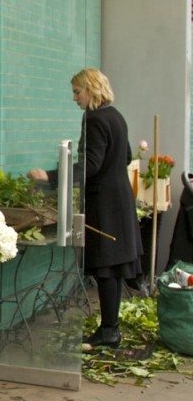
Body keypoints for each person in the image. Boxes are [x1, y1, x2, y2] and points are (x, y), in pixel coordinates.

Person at [29, 68, 141, 348]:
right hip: (120, 197)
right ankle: (110, 329)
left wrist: (51, 177)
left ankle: (109, 330)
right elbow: (125, 155)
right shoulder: (115, 116)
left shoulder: (93, 118)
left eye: (77, 92)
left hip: (104, 202)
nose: (75, 98)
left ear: (91, 90)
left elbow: (91, 165)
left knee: (104, 266)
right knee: (112, 267)